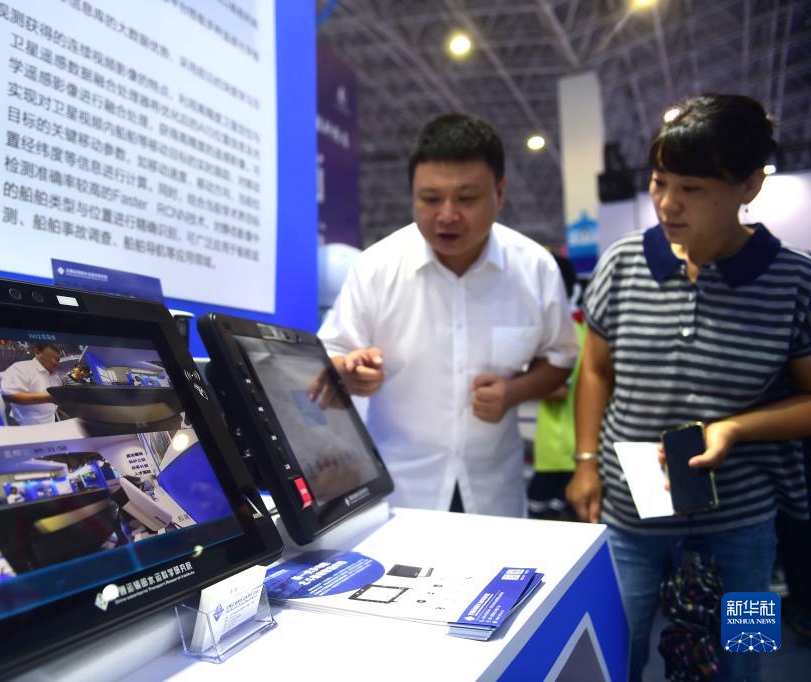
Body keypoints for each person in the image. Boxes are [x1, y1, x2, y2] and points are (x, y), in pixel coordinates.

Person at [566, 94, 811, 682]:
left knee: (743, 657)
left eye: (692, 189)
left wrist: (734, 429)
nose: (667, 203)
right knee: (614, 649)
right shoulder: (623, 262)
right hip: (629, 515)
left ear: (749, 186)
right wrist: (585, 462)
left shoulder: (793, 279)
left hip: (744, 521)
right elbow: (595, 370)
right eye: (659, 182)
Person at [317, 112, 578, 517]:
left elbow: (560, 359)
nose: (448, 215)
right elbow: (330, 356)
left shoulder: (534, 269)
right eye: (430, 198)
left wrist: (514, 392)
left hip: (495, 493)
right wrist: (347, 372)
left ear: (500, 193)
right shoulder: (376, 268)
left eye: (467, 198)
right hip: (401, 492)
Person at [527, 254, 586, 518]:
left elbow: (559, 390)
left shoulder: (569, 333)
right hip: (564, 453)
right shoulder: (580, 328)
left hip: (561, 454)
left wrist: (514, 386)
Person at [0, 342, 62, 425]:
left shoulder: (55, 377)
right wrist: (47, 398)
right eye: (55, 359)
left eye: (58, 360)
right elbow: (8, 395)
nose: (57, 364)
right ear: (37, 352)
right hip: (26, 426)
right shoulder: (20, 368)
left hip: (50, 423)